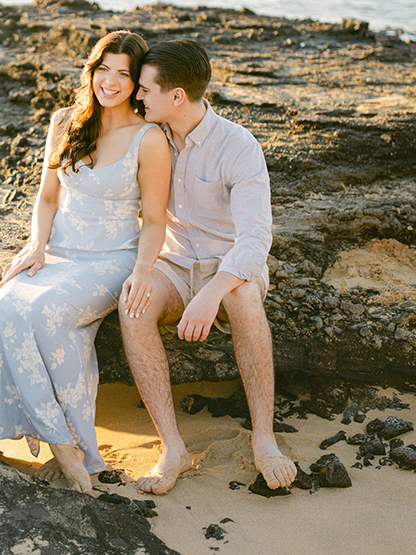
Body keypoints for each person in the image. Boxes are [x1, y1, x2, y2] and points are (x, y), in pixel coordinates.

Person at [0, 30, 170, 493]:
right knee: (6, 306)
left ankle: (71, 451)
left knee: (45, 314)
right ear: (91, 70)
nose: (110, 81)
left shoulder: (149, 139)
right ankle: (66, 446)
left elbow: (153, 220)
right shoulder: (65, 120)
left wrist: (144, 270)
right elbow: (47, 198)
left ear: (136, 83)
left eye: (123, 74)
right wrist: (36, 245)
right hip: (59, 253)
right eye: (102, 69)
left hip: (112, 260)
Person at [118, 38, 297, 495]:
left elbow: (256, 239)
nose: (137, 96)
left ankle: (263, 439)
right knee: (132, 304)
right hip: (175, 264)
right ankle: (172, 446)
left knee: (240, 293)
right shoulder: (149, 137)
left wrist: (211, 294)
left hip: (229, 266)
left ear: (176, 96)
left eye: (144, 89)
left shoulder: (237, 146)